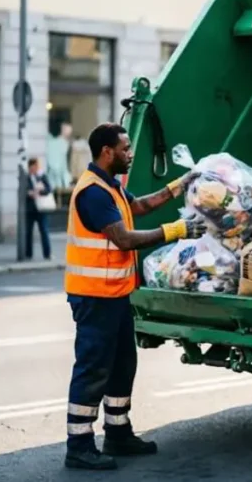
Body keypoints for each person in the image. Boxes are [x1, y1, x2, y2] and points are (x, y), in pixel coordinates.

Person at [64, 122, 205, 470]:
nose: (130, 154)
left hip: (114, 294)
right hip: (95, 297)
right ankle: (79, 444)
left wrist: (178, 186)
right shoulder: (93, 193)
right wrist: (176, 230)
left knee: (123, 363)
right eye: (126, 149)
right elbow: (124, 238)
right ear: (107, 152)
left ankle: (117, 431)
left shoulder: (110, 186)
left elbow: (139, 206)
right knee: (93, 367)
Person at [26, 157, 53, 260]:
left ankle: (47, 254)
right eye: (32, 167)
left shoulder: (41, 176)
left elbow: (49, 189)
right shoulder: (26, 177)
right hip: (30, 209)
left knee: (44, 231)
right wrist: (29, 193)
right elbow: (23, 191)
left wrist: (40, 192)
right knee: (28, 232)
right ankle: (28, 254)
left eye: (36, 167)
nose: (34, 169)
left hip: (41, 209)